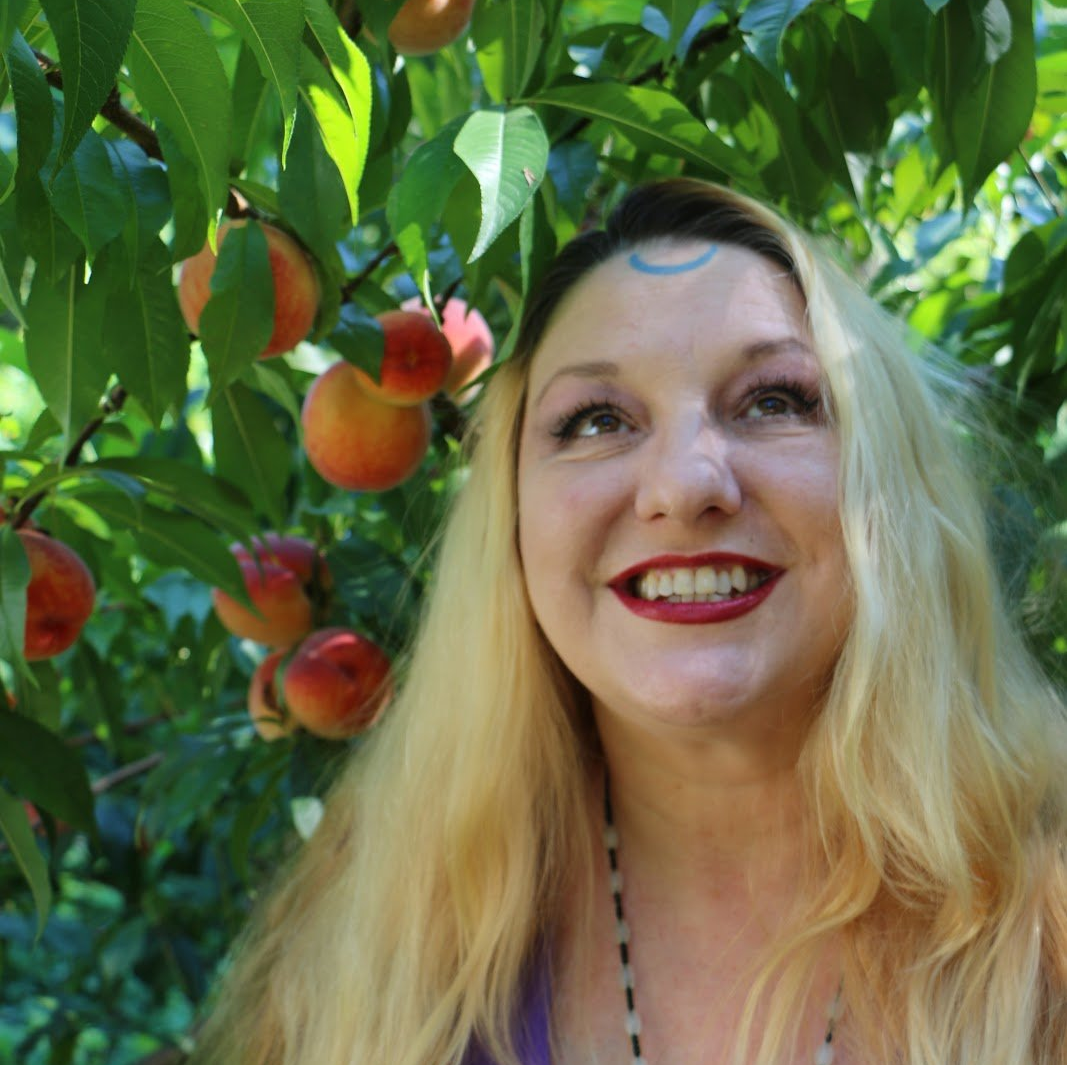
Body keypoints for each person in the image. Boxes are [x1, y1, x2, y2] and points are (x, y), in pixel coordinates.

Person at [190, 179, 1067, 1065]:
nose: (685, 485)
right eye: (597, 419)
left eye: (772, 400)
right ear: (513, 520)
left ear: (891, 484)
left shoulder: (1048, 927)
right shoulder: (372, 956)